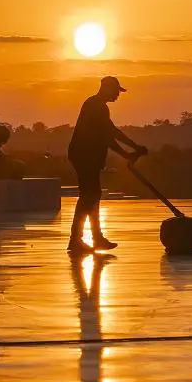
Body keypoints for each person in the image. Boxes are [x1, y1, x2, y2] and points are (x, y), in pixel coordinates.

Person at [67, 76, 148, 253]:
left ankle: (96, 238)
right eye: (116, 91)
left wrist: (129, 151)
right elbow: (110, 135)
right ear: (107, 89)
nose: (118, 95)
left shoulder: (98, 106)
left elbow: (109, 135)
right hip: (84, 156)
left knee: (92, 195)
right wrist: (132, 149)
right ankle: (76, 239)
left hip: (88, 156)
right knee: (90, 195)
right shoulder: (96, 106)